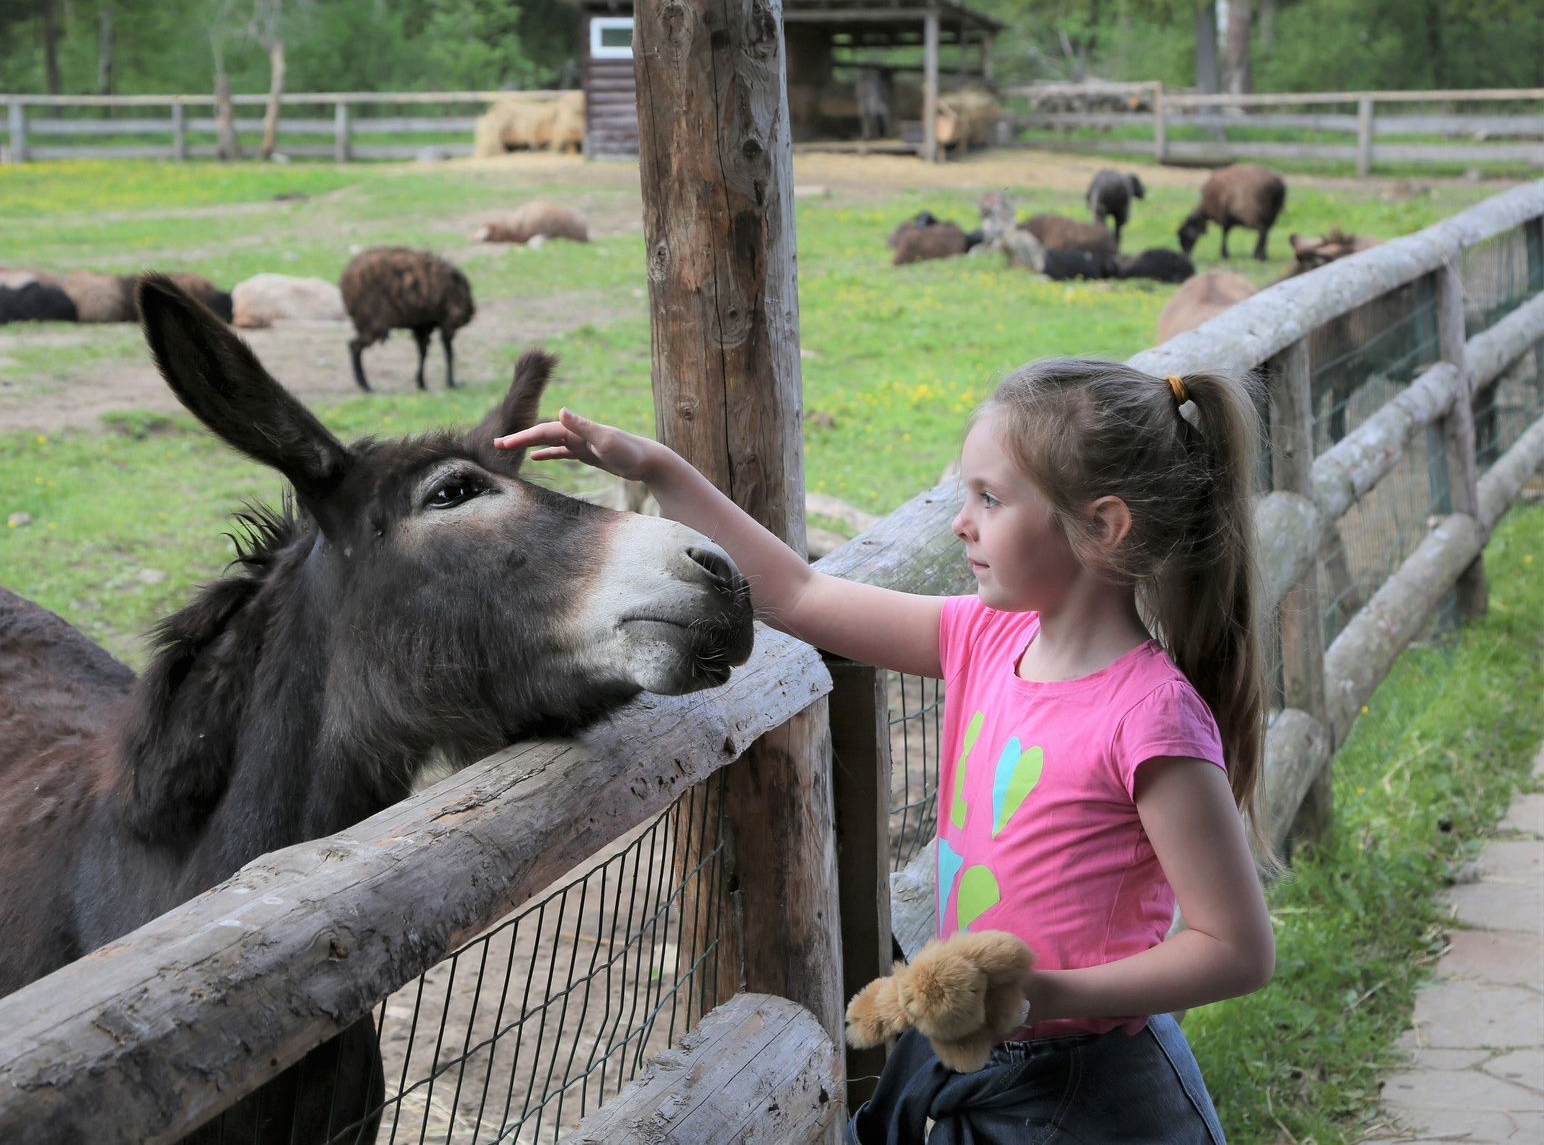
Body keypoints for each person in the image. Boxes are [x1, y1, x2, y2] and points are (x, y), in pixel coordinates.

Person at [498, 358, 1275, 1144]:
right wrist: (659, 468)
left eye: (990, 499)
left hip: (1086, 1090)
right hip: (975, 1060)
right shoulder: (986, 636)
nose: (961, 522)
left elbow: (1236, 949)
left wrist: (1048, 993)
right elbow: (797, 594)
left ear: (1103, 527)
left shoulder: (1150, 718)